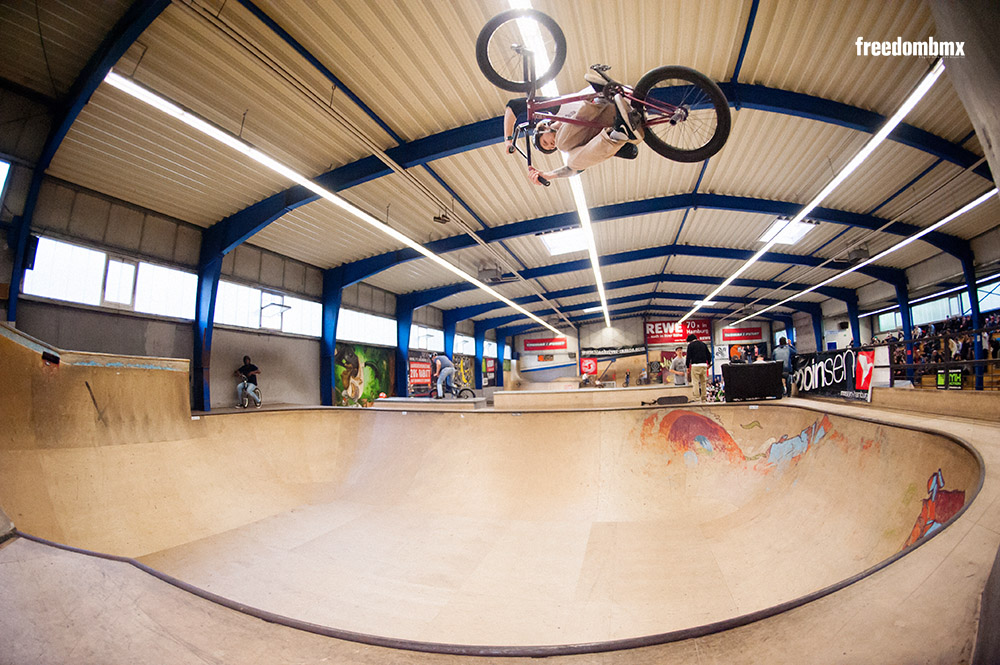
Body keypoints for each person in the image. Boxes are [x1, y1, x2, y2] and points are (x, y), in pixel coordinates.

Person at [503, 66, 642, 186]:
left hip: (612, 100)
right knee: (573, 160)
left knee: (563, 145)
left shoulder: (557, 110)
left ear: (544, 127)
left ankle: (598, 99)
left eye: (545, 142)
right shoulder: (572, 143)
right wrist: (548, 175)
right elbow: (575, 168)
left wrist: (508, 139)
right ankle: (618, 134)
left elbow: (514, 106)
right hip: (627, 121)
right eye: (551, 147)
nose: (551, 145)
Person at [685, 334, 711, 402]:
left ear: (690, 340)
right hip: (704, 365)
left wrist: (687, 366)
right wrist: (709, 363)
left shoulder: (690, 345)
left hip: (695, 365)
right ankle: (704, 398)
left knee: (695, 382)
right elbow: (709, 354)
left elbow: (688, 357)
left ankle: (697, 398)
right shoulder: (703, 344)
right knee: (703, 382)